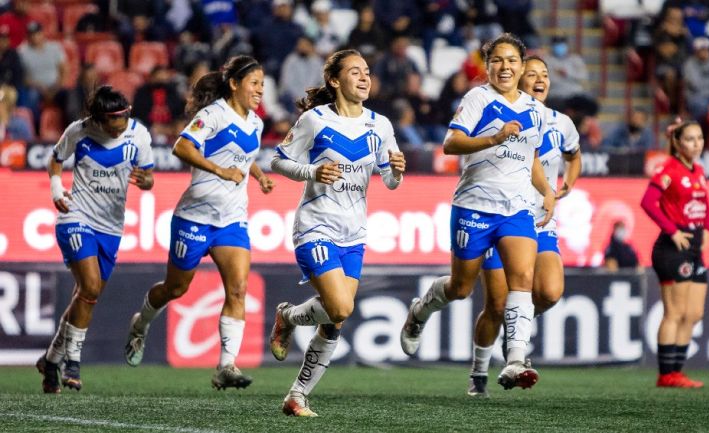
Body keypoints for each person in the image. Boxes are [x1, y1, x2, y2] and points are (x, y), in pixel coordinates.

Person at [399, 33, 555, 391]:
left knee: (521, 282)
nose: (505, 67)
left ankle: (515, 359)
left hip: (516, 210)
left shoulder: (535, 111)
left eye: (512, 60)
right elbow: (451, 142)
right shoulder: (477, 98)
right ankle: (420, 311)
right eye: (497, 60)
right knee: (460, 288)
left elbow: (530, 156)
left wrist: (546, 190)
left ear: (521, 66)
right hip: (474, 207)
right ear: (487, 66)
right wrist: (494, 138)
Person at [123, 55, 275, 390]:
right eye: (254, 83)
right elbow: (182, 147)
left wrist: (260, 175)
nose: (260, 90)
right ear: (234, 84)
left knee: (237, 289)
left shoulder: (256, 123)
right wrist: (220, 171)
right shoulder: (213, 114)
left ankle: (226, 366)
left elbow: (243, 158)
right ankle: (140, 325)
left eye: (263, 84)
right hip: (195, 217)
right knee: (175, 288)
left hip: (232, 220)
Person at [268, 49, 406, 417]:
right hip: (315, 224)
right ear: (334, 80)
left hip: (354, 231)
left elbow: (390, 181)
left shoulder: (381, 125)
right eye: (355, 72)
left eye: (367, 72)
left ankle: (297, 396)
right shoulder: (314, 120)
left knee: (336, 319)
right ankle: (289, 317)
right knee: (341, 306)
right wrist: (312, 172)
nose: (365, 78)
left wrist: (397, 169)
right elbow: (278, 159)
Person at [466, 55, 581, 397]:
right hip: (501, 215)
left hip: (540, 220)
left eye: (544, 73)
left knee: (549, 291)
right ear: (518, 79)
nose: (540, 78)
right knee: (497, 306)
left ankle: (516, 333)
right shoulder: (503, 113)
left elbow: (574, 155)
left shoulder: (562, 123)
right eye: (532, 74)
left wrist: (567, 184)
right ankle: (478, 375)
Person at [35, 85, 154, 393]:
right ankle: (72, 362)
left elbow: (149, 177)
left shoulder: (138, 134)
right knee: (88, 287)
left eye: (125, 117)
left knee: (86, 296)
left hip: (111, 227)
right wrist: (56, 191)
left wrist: (146, 181)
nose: (122, 125)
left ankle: (50, 361)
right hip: (76, 217)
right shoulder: (79, 131)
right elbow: (55, 159)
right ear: (100, 120)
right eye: (116, 120)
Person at [640, 120, 709, 389]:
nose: (697, 144)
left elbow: (706, 204)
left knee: (694, 313)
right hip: (673, 247)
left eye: (700, 138)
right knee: (675, 312)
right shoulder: (668, 168)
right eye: (691, 139)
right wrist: (672, 231)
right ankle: (666, 374)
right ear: (678, 143)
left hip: (694, 245)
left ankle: (677, 373)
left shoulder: (699, 171)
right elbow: (647, 202)